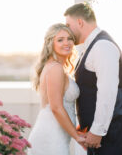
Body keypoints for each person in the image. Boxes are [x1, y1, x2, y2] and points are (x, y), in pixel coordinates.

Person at [64, 3, 122, 155]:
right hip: (102, 130)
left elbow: (107, 92)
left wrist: (97, 131)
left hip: (112, 130)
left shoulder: (102, 46)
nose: (67, 31)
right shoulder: (90, 46)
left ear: (80, 22)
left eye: (68, 25)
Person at [27, 23, 85, 155]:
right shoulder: (55, 68)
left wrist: (74, 129)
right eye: (60, 40)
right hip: (50, 138)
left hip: (55, 136)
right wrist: (77, 137)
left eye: (69, 38)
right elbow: (56, 108)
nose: (67, 42)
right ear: (50, 43)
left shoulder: (55, 67)